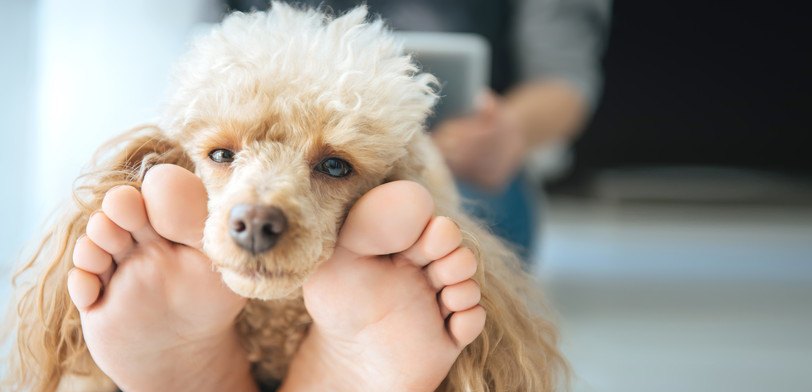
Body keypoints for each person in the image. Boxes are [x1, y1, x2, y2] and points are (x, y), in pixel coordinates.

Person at [66, 1, 611, 392]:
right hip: (333, 174)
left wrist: (510, 132)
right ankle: (352, 382)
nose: (261, 211)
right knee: (167, 212)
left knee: (441, 220)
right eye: (224, 153)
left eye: (332, 165)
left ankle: (339, 307)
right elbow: (201, 58)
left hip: (469, 154)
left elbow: (565, 81)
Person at [230, 0, 612, 261]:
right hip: (259, 148)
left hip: (463, 160)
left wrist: (511, 132)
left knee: (456, 216)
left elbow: (564, 81)